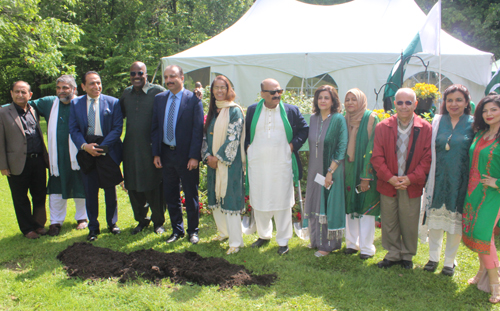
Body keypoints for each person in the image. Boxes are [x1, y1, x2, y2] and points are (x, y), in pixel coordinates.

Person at [245, 78, 308, 255]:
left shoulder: (291, 110)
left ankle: (283, 240)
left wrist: (292, 145)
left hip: (281, 163)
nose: (277, 95)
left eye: (279, 91)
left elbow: (304, 130)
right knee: (259, 197)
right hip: (258, 165)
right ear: (262, 94)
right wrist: (248, 149)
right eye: (272, 92)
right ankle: (264, 235)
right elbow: (246, 134)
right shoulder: (252, 110)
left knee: (282, 201)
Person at [371, 88, 432, 269]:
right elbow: (377, 156)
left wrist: (411, 179)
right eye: (400, 102)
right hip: (388, 182)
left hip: (410, 184)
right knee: (389, 220)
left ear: (415, 104)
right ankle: (393, 254)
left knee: (409, 220)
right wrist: (389, 178)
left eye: (408, 102)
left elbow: (427, 158)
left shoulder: (425, 128)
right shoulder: (383, 126)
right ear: (394, 104)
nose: (404, 106)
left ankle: (407, 255)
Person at [421, 84, 474, 276]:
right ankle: (433, 258)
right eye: (450, 100)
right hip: (437, 178)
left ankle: (449, 262)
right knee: (435, 221)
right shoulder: (436, 121)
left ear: (467, 102)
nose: (454, 104)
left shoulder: (474, 123)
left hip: (461, 181)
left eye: (459, 100)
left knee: (455, 222)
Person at [29, 75, 88, 236]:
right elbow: (24, 103)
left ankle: (82, 218)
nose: (61, 91)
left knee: (80, 184)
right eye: (59, 88)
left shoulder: (82, 103)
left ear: (74, 89)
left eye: (65, 88)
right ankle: (56, 222)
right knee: (55, 187)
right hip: (57, 157)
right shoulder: (50, 103)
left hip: (78, 154)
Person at [151, 65, 204, 244]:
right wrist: (156, 153)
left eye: (172, 76)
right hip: (166, 154)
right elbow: (155, 128)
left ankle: (193, 231)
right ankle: (177, 230)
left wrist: (194, 156)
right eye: (166, 77)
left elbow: (198, 130)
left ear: (181, 77)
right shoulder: (159, 99)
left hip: (187, 156)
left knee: (190, 194)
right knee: (170, 194)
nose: (168, 80)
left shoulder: (193, 100)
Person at [69, 71, 123, 241]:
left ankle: (112, 223)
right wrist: (85, 147)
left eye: (98, 82)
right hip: (87, 151)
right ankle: (93, 227)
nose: (96, 86)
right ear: (83, 86)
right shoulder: (75, 103)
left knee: (110, 189)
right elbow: (74, 129)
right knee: (90, 190)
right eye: (91, 83)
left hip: (107, 149)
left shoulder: (113, 102)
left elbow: (117, 128)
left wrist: (102, 147)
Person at [120, 61, 166, 235]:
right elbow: (119, 115)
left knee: (154, 186)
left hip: (152, 148)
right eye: (133, 74)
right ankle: (141, 220)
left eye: (140, 73)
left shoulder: (158, 92)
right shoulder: (127, 94)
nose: (137, 77)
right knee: (133, 185)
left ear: (145, 74)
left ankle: (158, 222)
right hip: (131, 147)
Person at [462, 95, 500, 304]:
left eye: (493, 110)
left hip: (494, 195)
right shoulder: (481, 134)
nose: (489, 114)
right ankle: (481, 273)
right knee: (476, 233)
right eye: (485, 111)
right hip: (474, 192)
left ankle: (496, 286)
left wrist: (498, 182)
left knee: (483, 236)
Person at [202, 75, 245, 254]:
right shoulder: (213, 111)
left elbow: (233, 138)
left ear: (229, 90)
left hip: (229, 163)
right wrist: (207, 157)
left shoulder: (234, 111)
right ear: (211, 91)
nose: (219, 91)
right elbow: (204, 136)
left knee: (230, 199)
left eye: (223, 87)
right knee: (216, 197)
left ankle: (236, 241)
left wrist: (217, 158)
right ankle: (224, 232)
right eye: (216, 87)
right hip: (213, 163)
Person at [303, 85, 347, 257]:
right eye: (320, 97)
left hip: (331, 169)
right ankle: (315, 240)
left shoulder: (338, 119)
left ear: (333, 100)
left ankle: (328, 245)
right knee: (315, 202)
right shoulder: (313, 118)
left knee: (327, 204)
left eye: (326, 98)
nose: (322, 100)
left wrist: (330, 171)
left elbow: (342, 146)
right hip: (315, 169)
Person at [0, 81, 48, 239]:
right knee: (20, 197)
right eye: (17, 92)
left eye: (23, 92)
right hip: (17, 163)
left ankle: (39, 225)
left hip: (38, 160)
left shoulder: (33, 110)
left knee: (40, 194)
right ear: (11, 93)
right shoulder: (3, 112)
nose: (20, 95)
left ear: (30, 95)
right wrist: (3, 165)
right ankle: (27, 229)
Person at [343, 88, 380, 260]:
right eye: (347, 99)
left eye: (354, 99)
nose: (350, 103)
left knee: (365, 207)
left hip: (364, 172)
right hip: (348, 171)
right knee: (350, 206)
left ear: (362, 101)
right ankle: (351, 244)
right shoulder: (345, 119)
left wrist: (366, 176)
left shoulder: (371, 118)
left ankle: (366, 248)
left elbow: (373, 148)